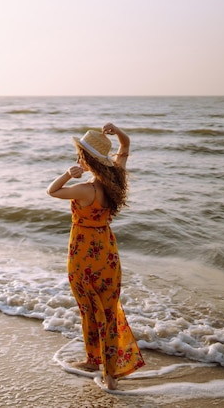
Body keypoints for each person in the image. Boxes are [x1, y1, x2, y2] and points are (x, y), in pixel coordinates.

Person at [47, 123, 145, 390]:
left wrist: (67, 174)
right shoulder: (115, 179)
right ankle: (109, 372)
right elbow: (125, 147)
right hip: (107, 250)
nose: (78, 160)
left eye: (80, 156)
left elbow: (52, 191)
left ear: (89, 161)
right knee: (108, 309)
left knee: (89, 308)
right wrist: (119, 132)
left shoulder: (85, 190)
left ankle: (95, 362)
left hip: (82, 251)